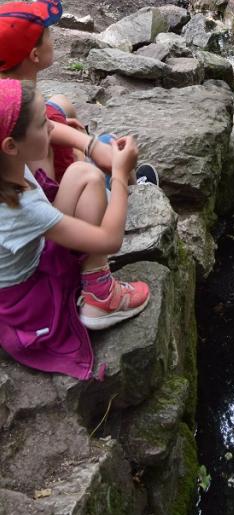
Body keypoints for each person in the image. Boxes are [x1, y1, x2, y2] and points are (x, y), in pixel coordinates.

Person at [0, 79, 150, 380]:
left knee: (85, 174)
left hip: (33, 252)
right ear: (11, 145)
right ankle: (101, 296)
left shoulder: (6, 166)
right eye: (43, 125)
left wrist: (86, 143)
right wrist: (120, 174)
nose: (52, 129)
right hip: (31, 296)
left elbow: (56, 130)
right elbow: (110, 240)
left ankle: (96, 287)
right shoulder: (22, 209)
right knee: (95, 179)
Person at [0, 0, 157, 187]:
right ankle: (134, 194)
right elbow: (52, 181)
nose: (53, 38)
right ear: (35, 55)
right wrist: (83, 151)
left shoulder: (9, 98)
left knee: (61, 102)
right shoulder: (29, 136)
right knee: (111, 142)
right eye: (48, 34)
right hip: (72, 190)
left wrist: (67, 131)